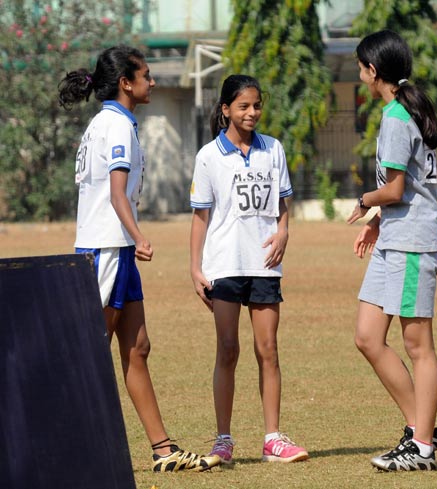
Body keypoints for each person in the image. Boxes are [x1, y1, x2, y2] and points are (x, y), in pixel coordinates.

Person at [58, 45, 220, 472]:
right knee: (92, 352)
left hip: (117, 250)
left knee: (138, 349)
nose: (153, 82)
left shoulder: (109, 122)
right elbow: (115, 193)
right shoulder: (116, 127)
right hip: (107, 249)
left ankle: (163, 450)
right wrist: (139, 236)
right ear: (126, 83)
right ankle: (58, 444)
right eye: (146, 76)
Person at [189, 74, 308, 465]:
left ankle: (273, 438)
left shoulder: (272, 149)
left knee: (268, 349)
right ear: (225, 110)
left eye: (257, 105)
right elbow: (201, 217)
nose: (252, 112)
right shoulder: (208, 156)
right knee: (227, 349)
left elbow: (283, 205)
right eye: (243, 106)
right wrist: (195, 267)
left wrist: (284, 233)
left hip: (264, 265)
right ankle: (223, 440)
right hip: (223, 264)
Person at [347, 30, 437, 471]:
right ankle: (420, 427)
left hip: (412, 243)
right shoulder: (399, 111)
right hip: (394, 238)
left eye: (360, 67)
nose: (358, 74)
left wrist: (366, 203)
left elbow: (395, 188)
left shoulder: (394, 117)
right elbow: (400, 192)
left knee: (417, 345)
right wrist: (375, 224)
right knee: (368, 336)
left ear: (373, 71)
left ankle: (421, 446)